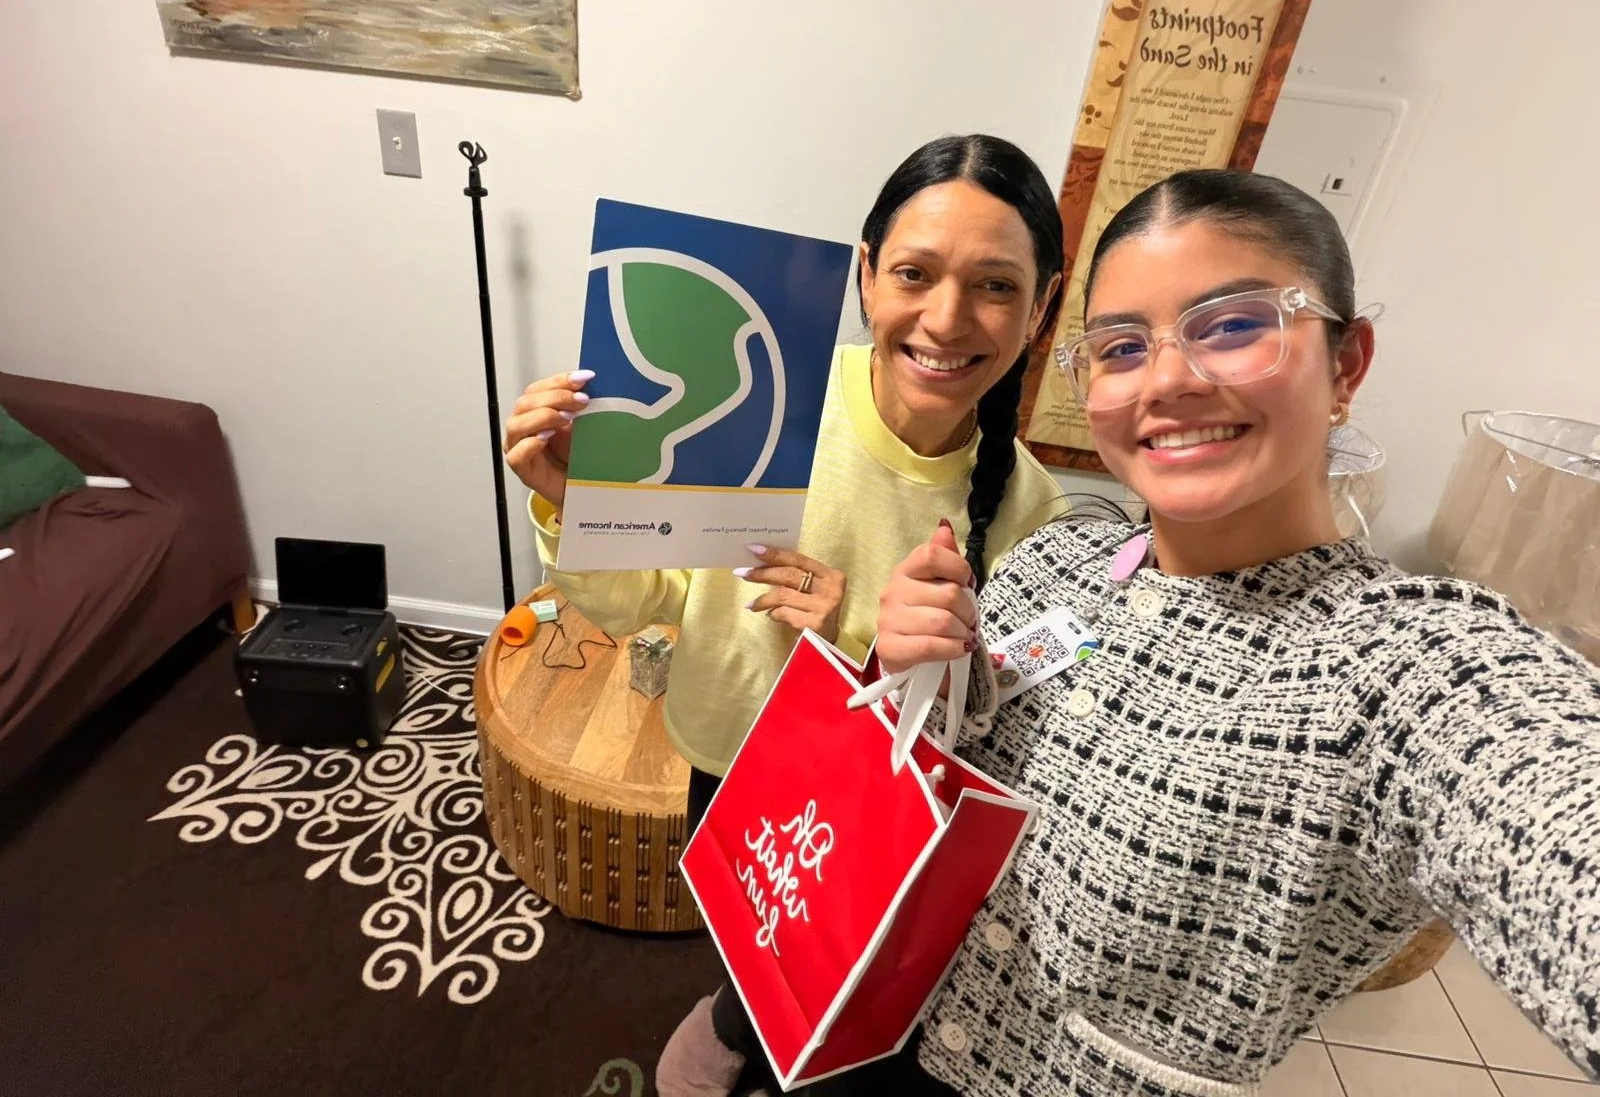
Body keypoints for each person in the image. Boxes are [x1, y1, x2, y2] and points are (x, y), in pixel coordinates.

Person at [850, 168, 1600, 1096]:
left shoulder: (1402, 668)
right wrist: (911, 672)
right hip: (872, 1043)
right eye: (1122, 346)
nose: (1169, 379)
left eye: (1235, 325)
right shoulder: (1056, 562)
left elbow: (1545, 799)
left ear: (1346, 365)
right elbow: (919, 785)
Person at [499, 134, 1072, 1095]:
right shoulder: (773, 401)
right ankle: (731, 1019)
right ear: (865, 276)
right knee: (743, 937)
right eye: (915, 273)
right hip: (729, 758)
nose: (946, 318)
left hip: (876, 807)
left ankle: (758, 1038)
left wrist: (857, 648)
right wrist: (577, 509)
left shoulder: (1032, 512)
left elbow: (993, 730)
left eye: (996, 286)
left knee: (836, 969)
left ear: (1042, 305)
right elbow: (650, 602)